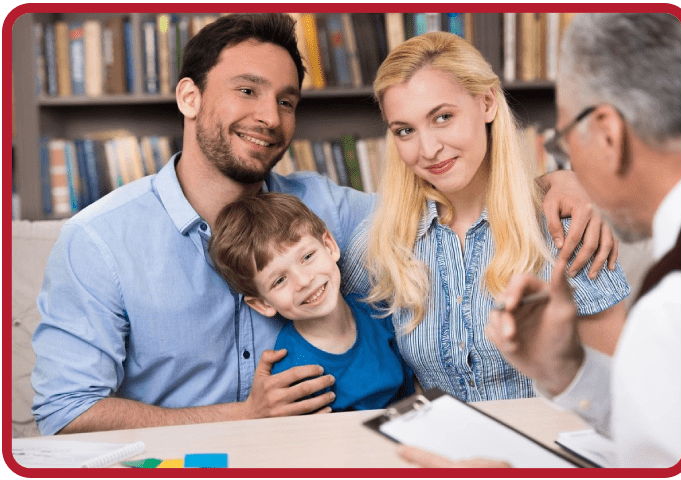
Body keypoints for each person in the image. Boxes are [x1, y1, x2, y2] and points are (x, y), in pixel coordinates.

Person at [30, 12, 617, 436]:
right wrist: (243, 415)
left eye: (286, 100)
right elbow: (63, 411)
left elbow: (451, 198)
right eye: (247, 90)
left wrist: (561, 183)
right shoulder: (99, 241)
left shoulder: (333, 216)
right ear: (189, 97)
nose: (268, 116)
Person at [406, 12, 681, 468]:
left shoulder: (668, 307)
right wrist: (568, 371)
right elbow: (659, 432)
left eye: (563, 142)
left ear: (609, 135)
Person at [341, 30, 629, 406]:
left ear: (487, 103)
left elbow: (619, 394)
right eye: (405, 130)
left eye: (443, 117)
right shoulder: (380, 243)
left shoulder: (568, 228)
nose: (428, 149)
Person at [209, 192, 414, 411]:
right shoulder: (293, 373)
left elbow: (414, 389)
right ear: (263, 304)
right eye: (279, 280)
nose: (304, 281)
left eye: (307, 257)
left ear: (329, 246)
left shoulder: (379, 311)